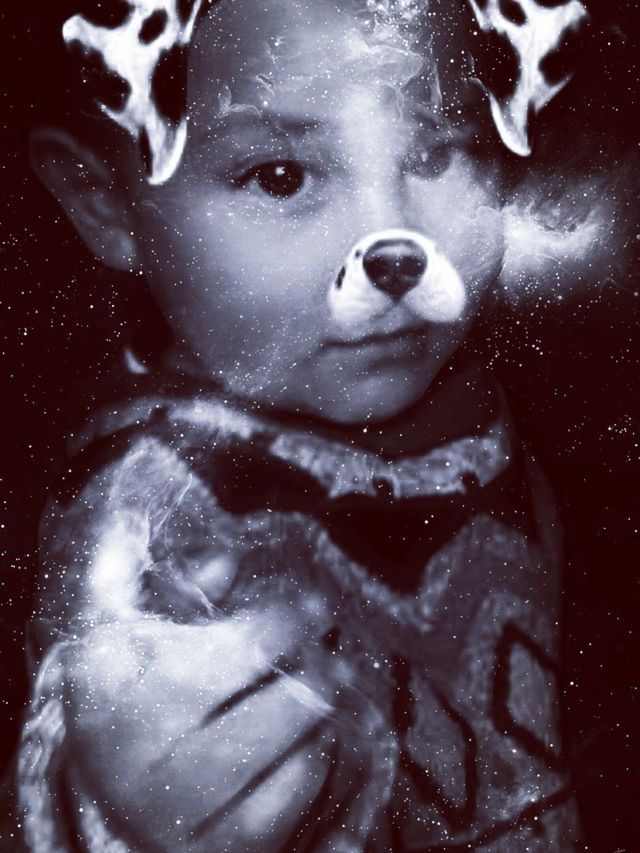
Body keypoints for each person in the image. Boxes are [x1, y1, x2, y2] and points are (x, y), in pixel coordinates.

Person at [11, 0, 588, 849]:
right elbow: (77, 756)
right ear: (105, 205)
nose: (393, 239)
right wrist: (125, 810)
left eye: (438, 152)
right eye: (280, 175)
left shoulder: (483, 406)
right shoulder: (148, 505)